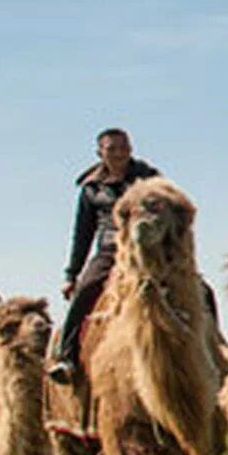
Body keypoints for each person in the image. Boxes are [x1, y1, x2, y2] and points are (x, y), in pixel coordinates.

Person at [49, 128, 161, 380]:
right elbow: (82, 234)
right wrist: (71, 274)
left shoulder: (149, 179)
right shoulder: (91, 189)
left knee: (201, 290)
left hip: (148, 250)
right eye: (112, 149)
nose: (119, 153)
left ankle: (215, 352)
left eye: (123, 148)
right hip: (110, 250)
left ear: (131, 149)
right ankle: (67, 358)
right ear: (100, 153)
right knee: (85, 293)